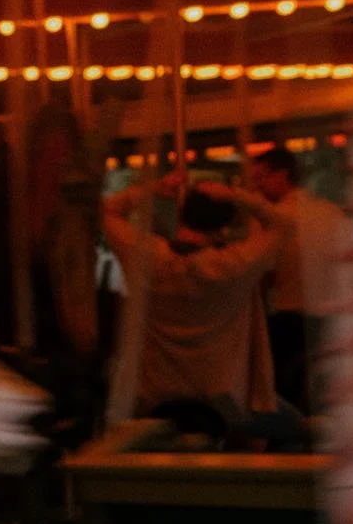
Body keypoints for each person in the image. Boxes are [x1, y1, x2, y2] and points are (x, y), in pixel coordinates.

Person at [101, 173, 288, 431]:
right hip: (225, 401)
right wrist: (236, 195)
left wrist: (155, 187)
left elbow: (107, 211)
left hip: (155, 397)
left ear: (181, 216)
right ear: (224, 226)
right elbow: (281, 225)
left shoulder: (147, 258)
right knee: (298, 431)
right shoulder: (233, 266)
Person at [248, 143, 348, 414]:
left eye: (261, 177)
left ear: (282, 175)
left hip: (292, 322)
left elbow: (259, 276)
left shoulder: (273, 219)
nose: (257, 187)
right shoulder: (332, 213)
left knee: (287, 400)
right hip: (335, 321)